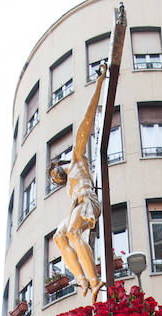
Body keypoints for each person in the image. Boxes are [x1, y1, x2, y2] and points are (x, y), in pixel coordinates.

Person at [50, 62, 107, 300]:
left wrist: (99, 84)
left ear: (60, 165)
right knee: (59, 236)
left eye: (56, 174)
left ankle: (93, 279)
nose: (57, 179)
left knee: (73, 232)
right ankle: (81, 279)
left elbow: (86, 121)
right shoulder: (68, 189)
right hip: (78, 205)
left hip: (88, 200)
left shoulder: (75, 159)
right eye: (55, 180)